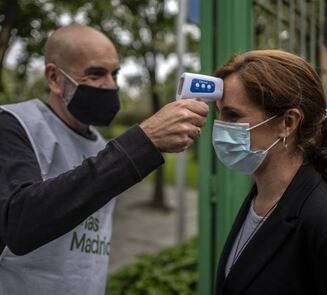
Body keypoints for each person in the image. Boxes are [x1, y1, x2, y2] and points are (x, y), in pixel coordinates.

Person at [0, 24, 209, 295]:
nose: (111, 85)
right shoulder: (14, 125)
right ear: (54, 78)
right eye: (95, 74)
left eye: (115, 74)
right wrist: (144, 141)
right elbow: (20, 222)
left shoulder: (99, 144)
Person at [212, 50, 327, 294]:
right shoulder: (262, 198)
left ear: (288, 123)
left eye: (232, 115)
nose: (219, 126)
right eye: (218, 113)